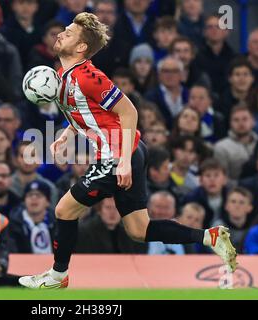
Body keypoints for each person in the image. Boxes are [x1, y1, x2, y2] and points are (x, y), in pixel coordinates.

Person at [19, 13, 237, 289]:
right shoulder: (63, 75)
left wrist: (121, 162)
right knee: (138, 229)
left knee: (64, 210)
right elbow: (85, 112)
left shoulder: (89, 76)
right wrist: (66, 134)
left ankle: (58, 275)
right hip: (128, 152)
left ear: (81, 48)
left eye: (69, 32)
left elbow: (128, 111)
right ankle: (210, 237)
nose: (61, 34)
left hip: (118, 154)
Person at [76, 197, 148, 254]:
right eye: (108, 208)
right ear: (99, 210)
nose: (112, 212)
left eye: (117, 208)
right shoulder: (85, 231)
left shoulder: (131, 231)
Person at [213, 104, 258, 183]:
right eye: (236, 120)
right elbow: (222, 179)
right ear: (230, 123)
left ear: (253, 121)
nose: (241, 123)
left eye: (245, 119)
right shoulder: (221, 147)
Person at [8, 180, 55, 254]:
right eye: (30, 195)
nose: (34, 198)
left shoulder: (57, 224)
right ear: (24, 201)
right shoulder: (14, 225)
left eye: (39, 195)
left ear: (48, 202)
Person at [194, 14, 236, 97]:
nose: (214, 30)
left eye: (218, 27)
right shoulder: (196, 57)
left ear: (226, 31)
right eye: (210, 27)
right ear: (204, 32)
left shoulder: (234, 58)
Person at [144, 56, 189, 129]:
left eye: (174, 71)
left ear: (181, 74)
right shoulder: (150, 97)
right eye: (165, 71)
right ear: (159, 75)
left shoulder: (189, 95)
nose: (170, 75)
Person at [183, 158, 229, 228]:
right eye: (208, 175)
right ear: (200, 180)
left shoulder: (231, 198)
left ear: (224, 179)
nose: (212, 180)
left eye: (216, 175)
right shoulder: (192, 198)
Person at [212, 187, 253, 253]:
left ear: (250, 207)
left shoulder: (254, 229)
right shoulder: (217, 228)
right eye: (233, 202)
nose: (237, 206)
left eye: (241, 202)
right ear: (226, 206)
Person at [217, 58, 255, 125]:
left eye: (245, 74)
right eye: (237, 74)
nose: (242, 79)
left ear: (252, 78)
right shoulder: (220, 104)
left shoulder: (257, 101)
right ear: (230, 79)